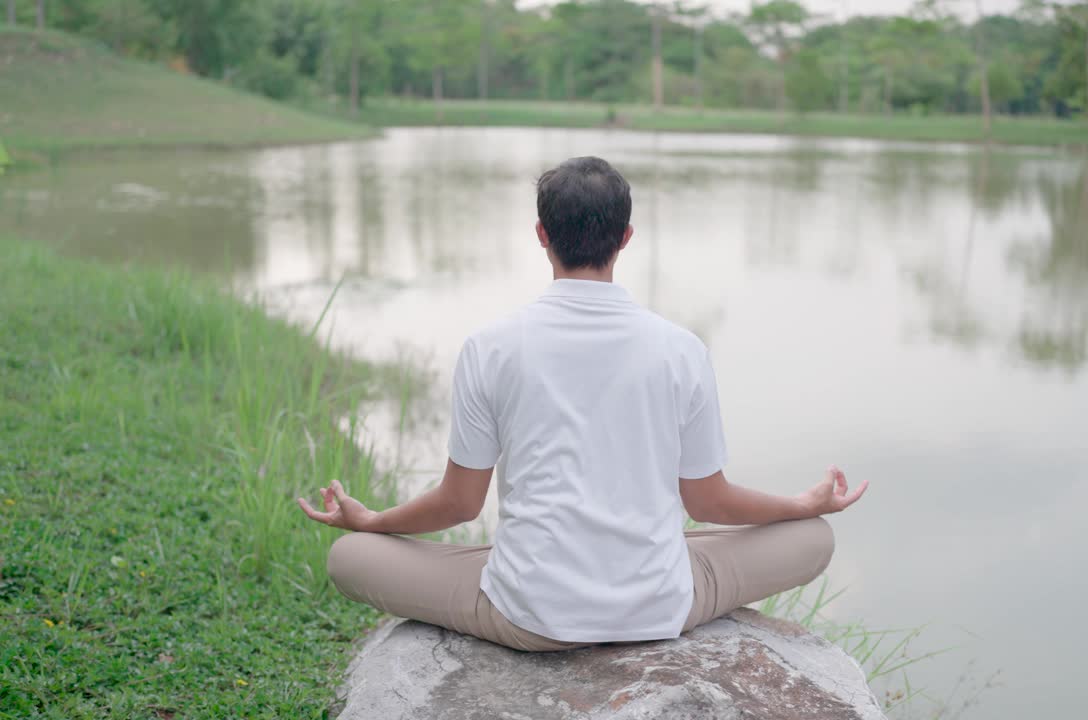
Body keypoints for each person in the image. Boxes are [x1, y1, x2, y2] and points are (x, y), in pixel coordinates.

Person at [298, 156, 869, 652]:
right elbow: (709, 500)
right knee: (813, 536)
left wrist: (372, 521)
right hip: (660, 610)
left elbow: (459, 504)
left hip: (530, 616)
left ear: (541, 234)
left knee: (350, 556)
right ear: (626, 238)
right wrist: (800, 504)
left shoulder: (491, 346)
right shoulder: (681, 349)